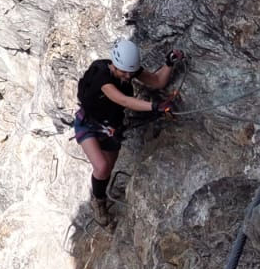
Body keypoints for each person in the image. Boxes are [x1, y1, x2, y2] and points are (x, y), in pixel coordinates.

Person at [74, 37, 184, 226]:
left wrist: (169, 63)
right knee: (101, 167)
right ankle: (98, 202)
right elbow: (124, 100)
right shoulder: (103, 79)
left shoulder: (128, 70)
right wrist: (156, 106)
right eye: (124, 73)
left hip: (112, 127)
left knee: (107, 168)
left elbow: (156, 81)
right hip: (88, 124)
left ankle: (101, 193)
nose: (128, 77)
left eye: (131, 73)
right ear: (115, 65)